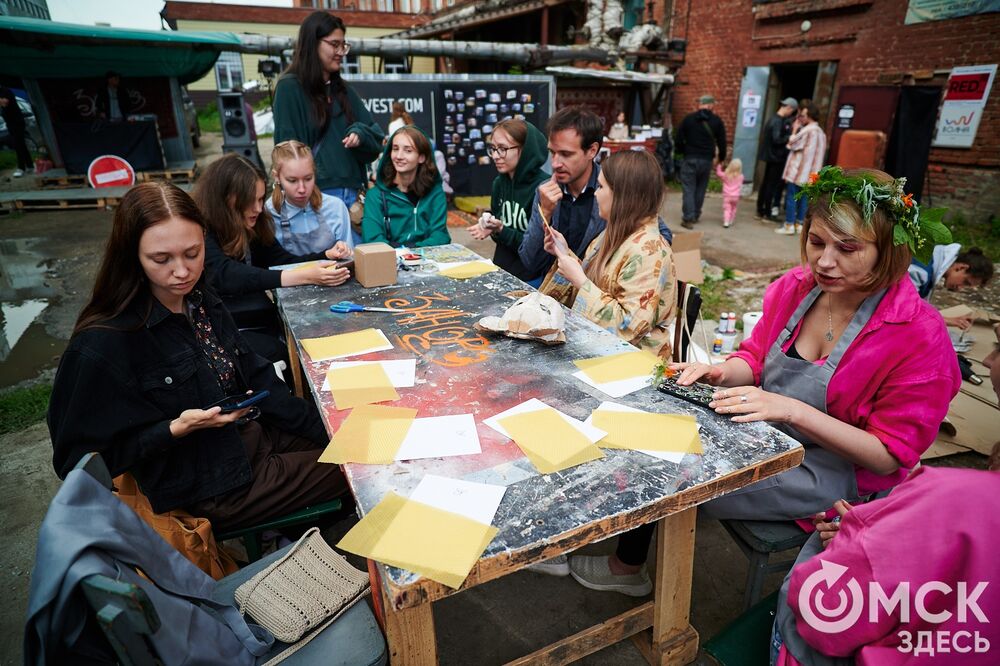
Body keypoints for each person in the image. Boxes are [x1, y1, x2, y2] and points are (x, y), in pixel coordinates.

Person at [561, 167, 961, 597]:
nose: (825, 261)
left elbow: (887, 456)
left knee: (671, 475)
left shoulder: (918, 336)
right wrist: (720, 371)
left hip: (830, 470)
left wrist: (791, 410)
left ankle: (628, 568)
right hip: (762, 431)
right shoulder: (797, 289)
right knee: (644, 426)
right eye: (817, 242)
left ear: (888, 251)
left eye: (848, 249)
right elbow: (755, 357)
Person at [47, 182, 347, 531]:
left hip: (249, 436)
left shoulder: (199, 299)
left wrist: (332, 429)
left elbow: (258, 374)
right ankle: (289, 536)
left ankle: (289, 531)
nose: (182, 271)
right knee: (361, 469)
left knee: (365, 447)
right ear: (131, 256)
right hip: (214, 483)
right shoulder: (103, 343)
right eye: (161, 259)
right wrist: (172, 429)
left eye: (193, 253)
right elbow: (76, 463)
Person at [772, 450, 1000, 666]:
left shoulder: (955, 495)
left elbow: (824, 617)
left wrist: (858, 542)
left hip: (854, 643)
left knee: (814, 563)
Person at [194, 154, 351, 362]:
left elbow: (280, 259)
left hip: (253, 319)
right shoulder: (201, 229)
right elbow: (226, 274)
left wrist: (324, 256)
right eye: (250, 201)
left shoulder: (253, 222)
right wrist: (304, 276)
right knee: (278, 350)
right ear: (226, 198)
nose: (258, 208)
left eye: (260, 199)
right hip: (217, 330)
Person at [541, 150, 676, 356]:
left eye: (602, 187)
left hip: (633, 364)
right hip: (599, 347)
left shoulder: (650, 252)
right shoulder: (613, 233)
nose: (595, 193)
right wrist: (564, 253)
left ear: (623, 196)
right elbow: (598, 283)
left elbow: (628, 328)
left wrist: (579, 280)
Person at [519, 107, 673, 285]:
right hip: (554, 294)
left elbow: (660, 235)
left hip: (599, 297)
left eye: (566, 154)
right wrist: (544, 213)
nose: (555, 163)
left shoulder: (614, 187)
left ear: (592, 150)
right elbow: (530, 262)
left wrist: (613, 265)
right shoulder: (547, 191)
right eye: (552, 153)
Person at [273, 11, 384, 209]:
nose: (341, 51)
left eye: (343, 45)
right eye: (334, 44)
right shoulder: (289, 88)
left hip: (354, 200)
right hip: (313, 199)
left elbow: (376, 138)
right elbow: (286, 153)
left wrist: (359, 133)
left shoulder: (344, 90)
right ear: (312, 43)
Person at [467, 118, 549, 280]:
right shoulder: (499, 183)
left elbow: (536, 248)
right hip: (502, 271)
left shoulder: (544, 188)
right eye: (493, 149)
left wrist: (502, 230)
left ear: (526, 149)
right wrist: (491, 225)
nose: (495, 156)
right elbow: (501, 233)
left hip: (532, 278)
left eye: (503, 149)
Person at [361, 125, 449, 248]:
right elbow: (372, 239)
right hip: (390, 262)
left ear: (421, 157)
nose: (399, 156)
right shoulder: (376, 196)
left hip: (429, 261)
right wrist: (403, 252)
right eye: (395, 149)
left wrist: (413, 251)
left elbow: (440, 235)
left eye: (408, 150)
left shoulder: (435, 193)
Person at [265, 139, 354, 256]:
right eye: (292, 181)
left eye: (308, 179)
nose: (302, 189)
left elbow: (350, 258)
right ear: (276, 177)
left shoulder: (335, 207)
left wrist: (345, 252)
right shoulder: (267, 214)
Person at [674, 94, 727, 229]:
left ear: (700, 104)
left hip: (690, 158)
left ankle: (688, 218)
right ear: (711, 105)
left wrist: (682, 151)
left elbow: (679, 138)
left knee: (689, 188)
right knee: (700, 188)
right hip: (706, 160)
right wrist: (721, 158)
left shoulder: (689, 119)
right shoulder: (716, 121)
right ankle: (696, 214)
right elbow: (722, 142)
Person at [778, 101, 826, 235]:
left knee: (792, 198)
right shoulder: (821, 133)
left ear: (808, 114)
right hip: (812, 174)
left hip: (798, 172)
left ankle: (789, 225)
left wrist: (794, 130)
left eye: (802, 115)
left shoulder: (807, 131)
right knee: (804, 200)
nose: (800, 118)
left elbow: (791, 144)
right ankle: (799, 224)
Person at [908, 243, 993, 306]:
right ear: (961, 268)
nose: (960, 288)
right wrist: (945, 320)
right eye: (965, 282)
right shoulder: (920, 270)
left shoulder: (932, 267)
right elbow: (905, 308)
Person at [756, 97, 798, 222]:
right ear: (789, 108)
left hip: (770, 156)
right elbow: (776, 139)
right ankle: (767, 212)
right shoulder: (778, 121)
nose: (791, 114)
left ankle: (761, 209)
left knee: (766, 184)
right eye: (792, 111)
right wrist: (789, 138)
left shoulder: (773, 119)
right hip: (776, 157)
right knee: (771, 185)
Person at [0, 86, 33, 177]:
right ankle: (30, 165)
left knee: (17, 144)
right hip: (9, 123)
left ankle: (21, 168)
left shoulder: (5, 91)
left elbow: (4, 103)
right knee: (21, 144)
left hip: (17, 122)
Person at [715, 158, 744, 229]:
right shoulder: (741, 176)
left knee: (727, 209)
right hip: (736, 196)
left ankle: (726, 222)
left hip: (727, 196)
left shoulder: (726, 175)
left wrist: (719, 166)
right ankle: (731, 220)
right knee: (734, 208)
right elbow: (740, 184)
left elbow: (718, 173)